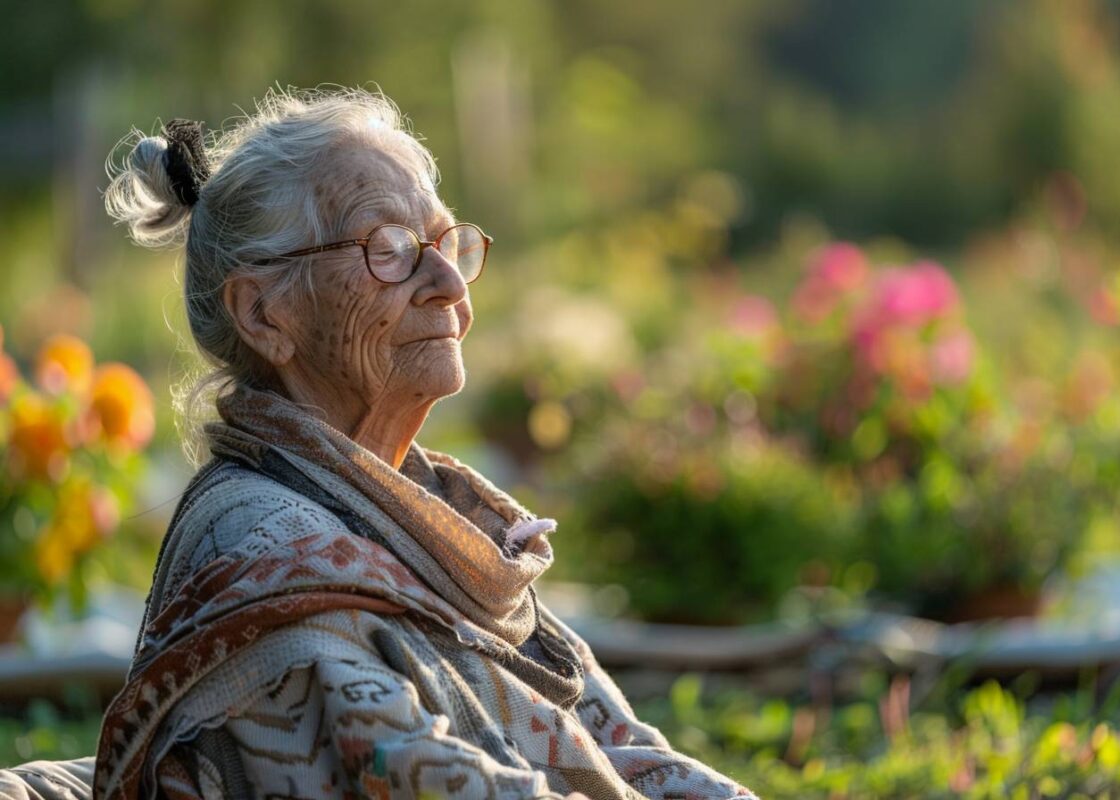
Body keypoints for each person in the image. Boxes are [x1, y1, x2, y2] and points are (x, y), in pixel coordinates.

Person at [72, 87, 754, 799]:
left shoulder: (427, 516)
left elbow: (623, 750)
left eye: (446, 241)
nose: (449, 282)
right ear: (265, 313)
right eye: (389, 248)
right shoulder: (264, 539)